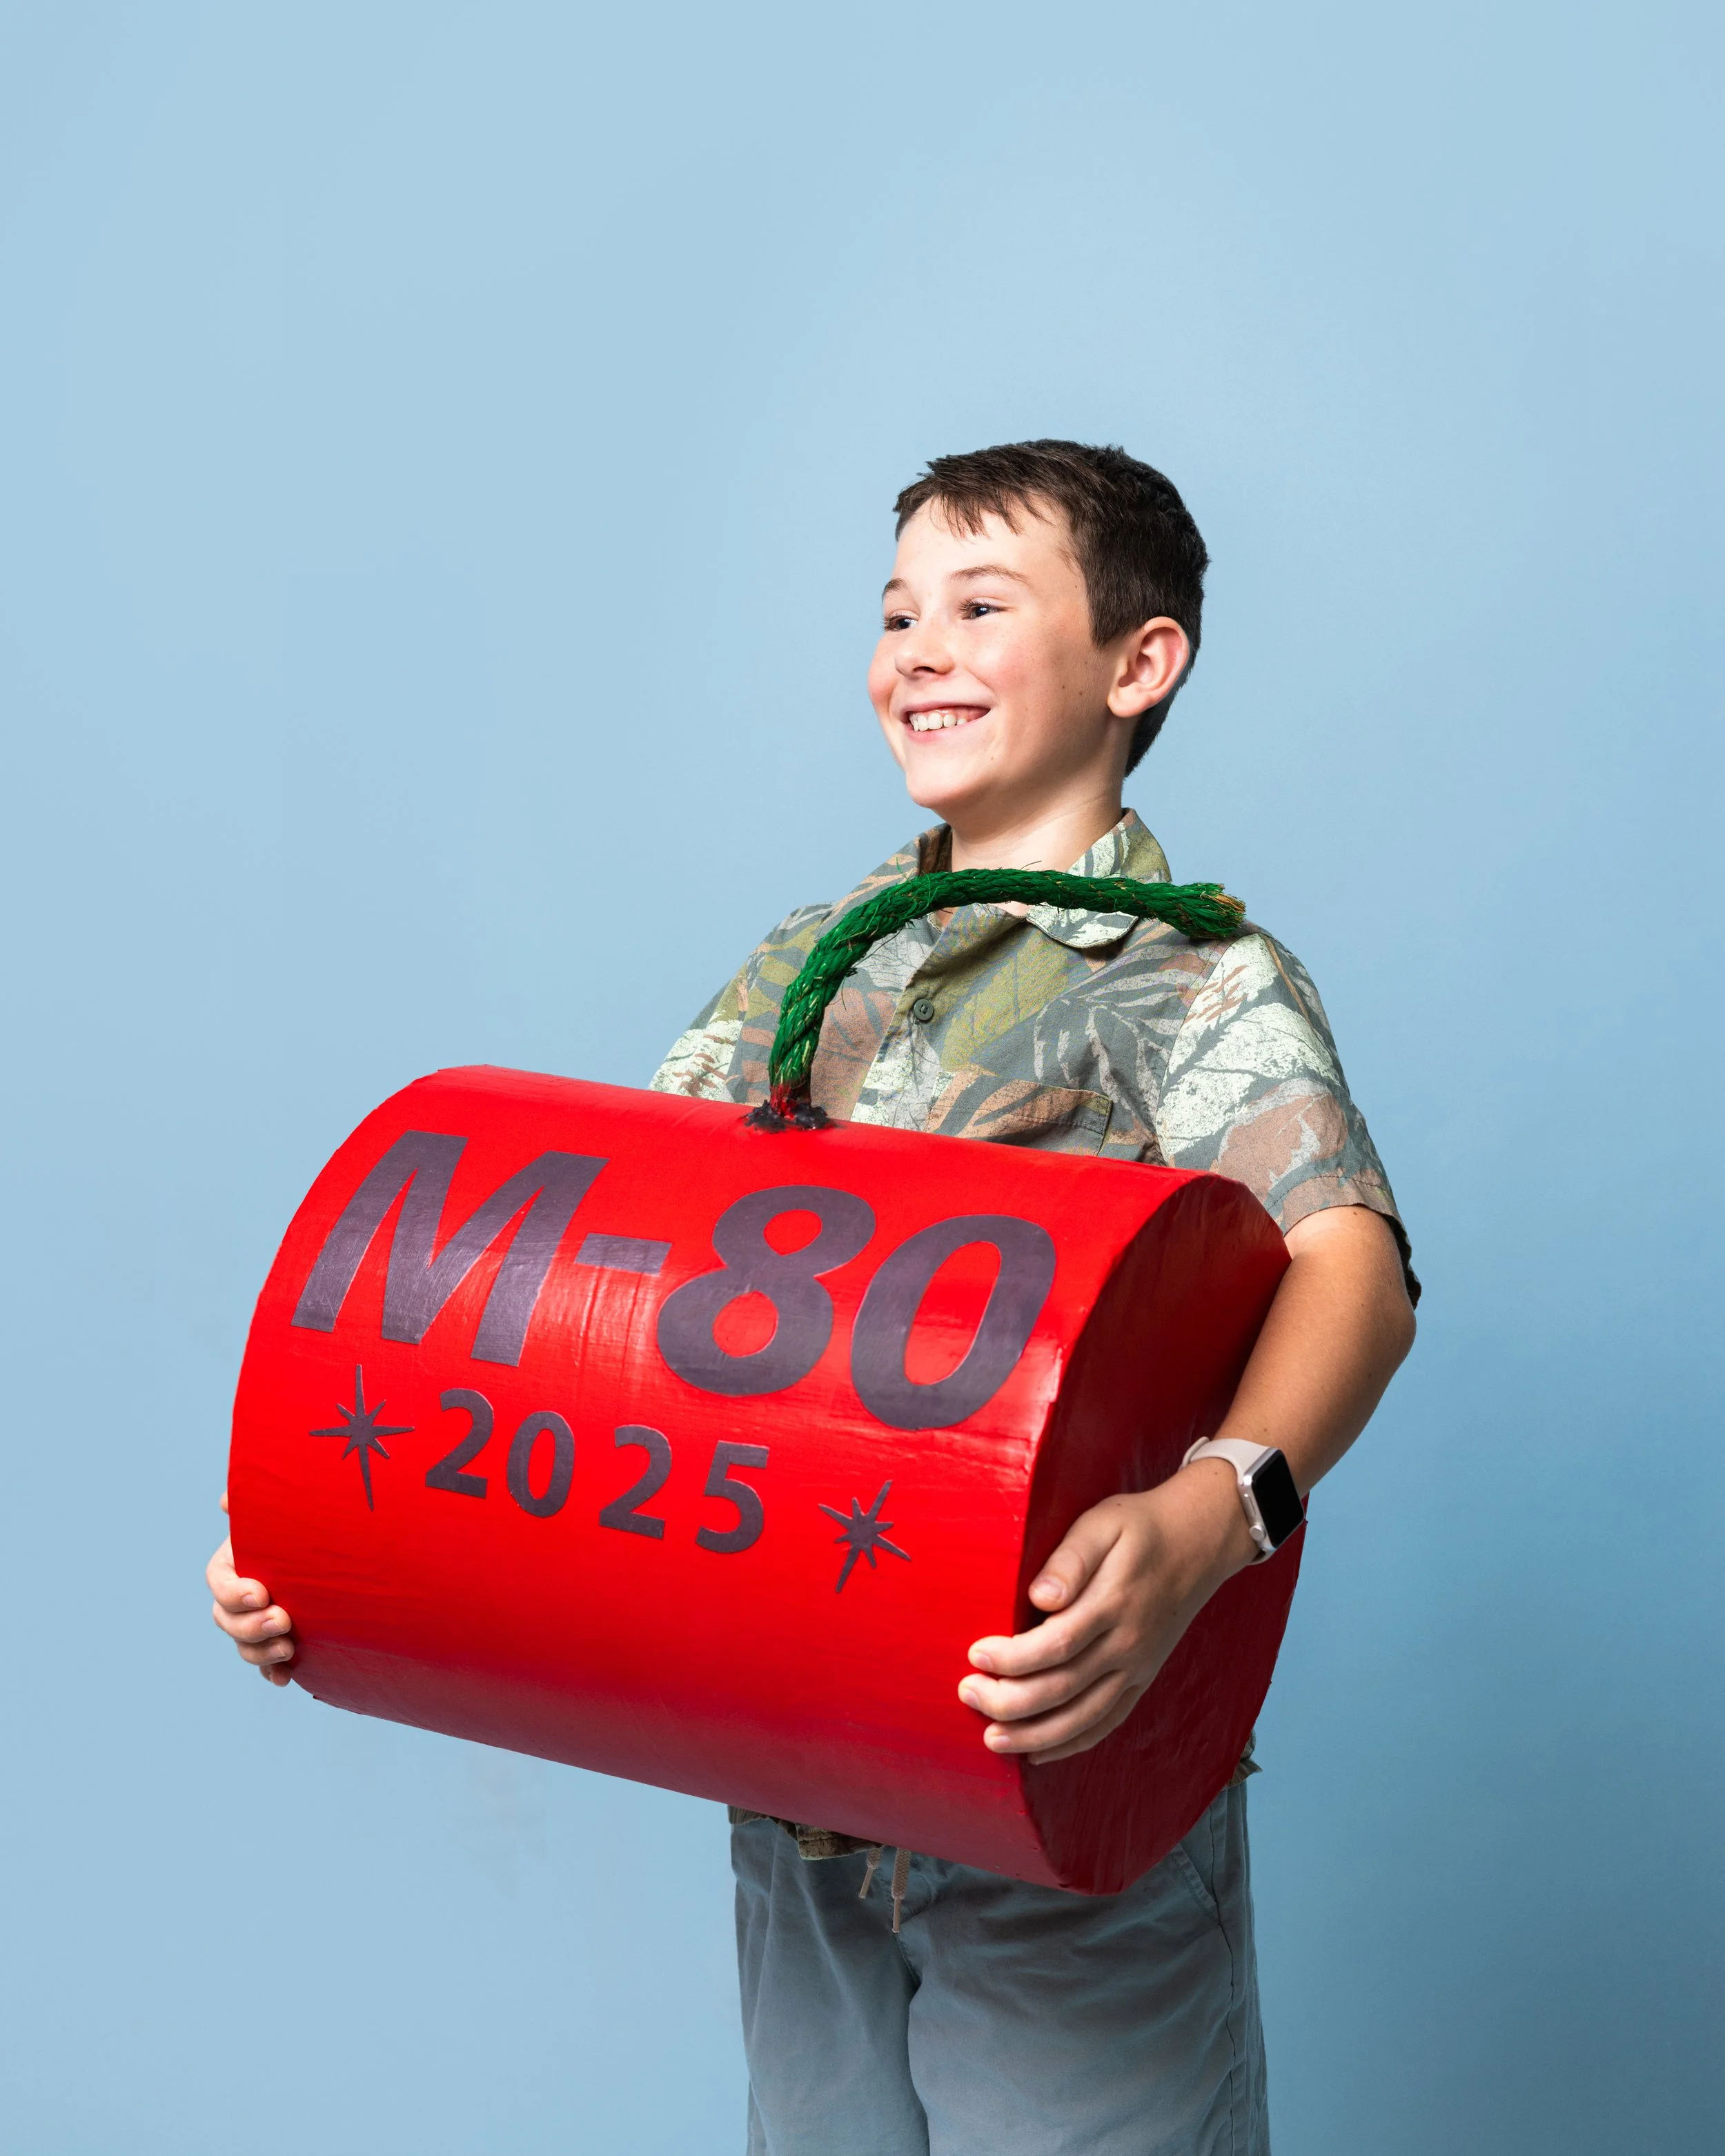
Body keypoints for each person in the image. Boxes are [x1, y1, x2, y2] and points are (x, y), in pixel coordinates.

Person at [210, 439, 1417, 2155]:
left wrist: (1212, 1510)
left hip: (1068, 1771)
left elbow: (1352, 1271)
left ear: (1137, 664)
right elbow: (604, 1282)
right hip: (807, 1794)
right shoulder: (812, 960)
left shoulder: (1188, 972)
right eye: (894, 610)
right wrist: (326, 1522)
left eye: (979, 605)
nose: (917, 646)